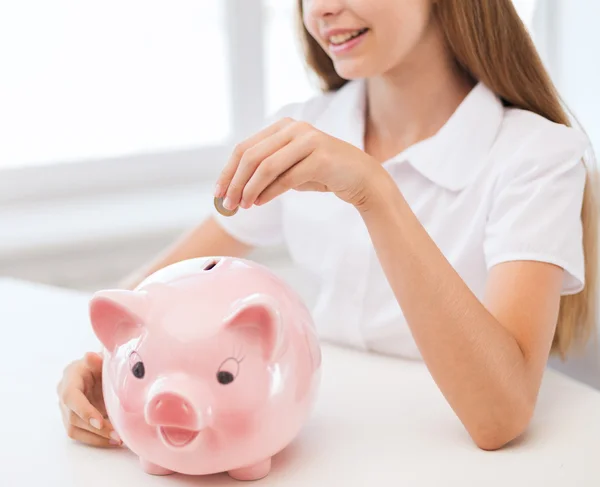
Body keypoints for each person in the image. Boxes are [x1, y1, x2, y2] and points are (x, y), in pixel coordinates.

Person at [57, 0, 598, 452]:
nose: (321, 9)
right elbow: (157, 288)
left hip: (446, 450)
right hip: (323, 435)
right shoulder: (304, 131)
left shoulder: (537, 155)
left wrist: (374, 192)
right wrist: (96, 364)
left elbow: (498, 417)